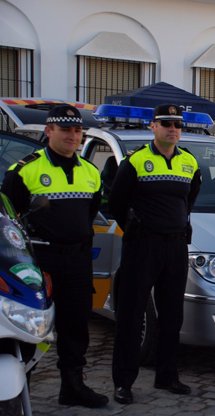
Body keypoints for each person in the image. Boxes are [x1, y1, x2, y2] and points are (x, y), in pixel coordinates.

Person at [1, 105, 108, 408]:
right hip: (38, 262)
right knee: (27, 328)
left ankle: (73, 387)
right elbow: (9, 219)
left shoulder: (90, 172)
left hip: (77, 260)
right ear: (49, 131)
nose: (72, 136)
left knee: (76, 327)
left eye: (77, 131)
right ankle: (18, 395)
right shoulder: (24, 170)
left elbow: (89, 214)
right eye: (65, 130)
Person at [110, 104, 201, 404]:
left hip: (175, 247)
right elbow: (116, 203)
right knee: (131, 315)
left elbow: (189, 199)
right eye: (166, 123)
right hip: (142, 247)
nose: (172, 128)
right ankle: (123, 382)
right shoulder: (135, 161)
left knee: (172, 315)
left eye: (177, 124)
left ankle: (167, 376)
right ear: (153, 126)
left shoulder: (189, 162)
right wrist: (137, 230)